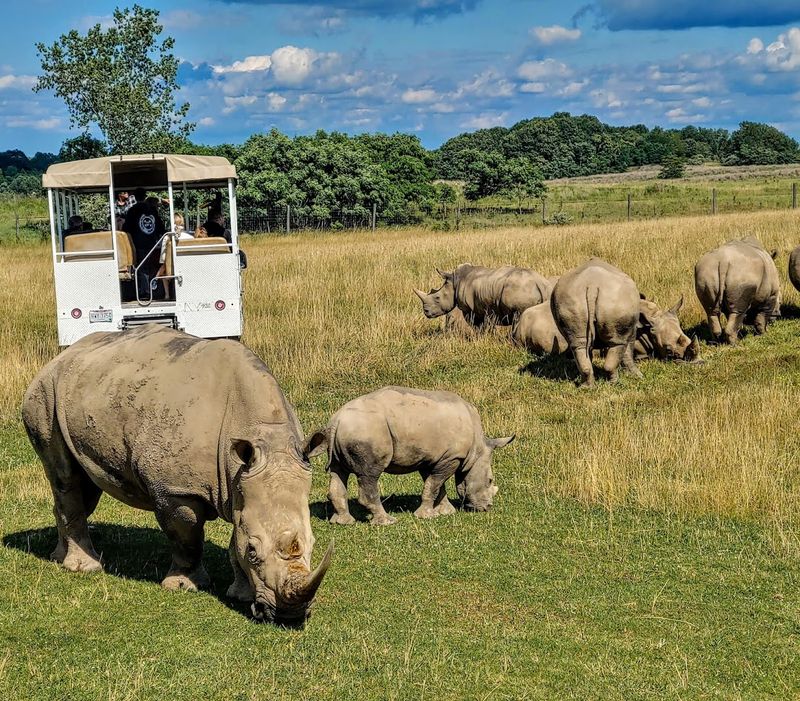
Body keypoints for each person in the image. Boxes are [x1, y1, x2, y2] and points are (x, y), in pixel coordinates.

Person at [123, 188, 165, 296]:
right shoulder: (152, 210)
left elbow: (126, 228)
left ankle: (145, 291)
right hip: (153, 243)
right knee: (149, 266)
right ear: (145, 196)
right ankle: (152, 289)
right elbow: (160, 227)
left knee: (141, 267)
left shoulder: (132, 210)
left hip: (137, 243)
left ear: (135, 197)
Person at [155, 214, 193, 299]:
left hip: (172, 268)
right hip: (188, 266)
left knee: (163, 271)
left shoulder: (167, 238)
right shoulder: (190, 237)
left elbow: (163, 259)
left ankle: (167, 294)